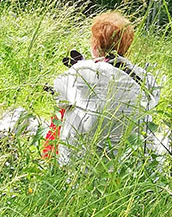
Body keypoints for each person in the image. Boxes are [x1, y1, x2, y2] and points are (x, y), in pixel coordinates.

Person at [47, 11, 160, 164]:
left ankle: (49, 161)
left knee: (63, 111)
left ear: (95, 44)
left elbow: (58, 92)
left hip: (81, 166)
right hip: (130, 166)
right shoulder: (146, 79)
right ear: (127, 47)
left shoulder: (81, 72)